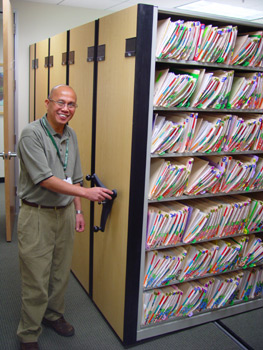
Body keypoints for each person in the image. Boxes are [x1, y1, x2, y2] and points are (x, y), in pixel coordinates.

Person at [16, 84, 113, 350]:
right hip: (36, 215)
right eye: (60, 102)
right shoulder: (31, 134)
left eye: (71, 105)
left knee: (60, 274)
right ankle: (28, 333)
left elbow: (75, 178)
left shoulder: (71, 136)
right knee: (36, 276)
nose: (65, 109)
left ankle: (53, 316)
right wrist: (85, 192)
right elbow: (45, 180)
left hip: (66, 214)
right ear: (47, 103)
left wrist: (78, 210)